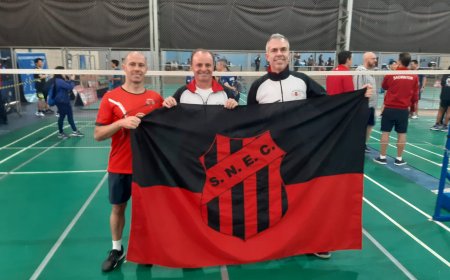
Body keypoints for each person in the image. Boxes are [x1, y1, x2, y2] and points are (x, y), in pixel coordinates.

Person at [94, 51, 164, 272]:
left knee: (147, 211)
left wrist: (169, 106)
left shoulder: (156, 98)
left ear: (146, 69)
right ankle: (117, 249)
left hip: (147, 168)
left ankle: (146, 249)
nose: (137, 68)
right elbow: (98, 134)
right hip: (120, 165)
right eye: (132, 64)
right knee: (118, 207)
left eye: (141, 65)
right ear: (124, 67)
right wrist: (121, 123)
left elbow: (165, 130)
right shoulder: (110, 98)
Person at [373, 53, 419, 166]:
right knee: (402, 133)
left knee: (385, 132)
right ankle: (399, 159)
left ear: (399, 61)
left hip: (389, 108)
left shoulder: (392, 73)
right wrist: (413, 109)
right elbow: (415, 96)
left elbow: (384, 87)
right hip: (403, 110)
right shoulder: (414, 76)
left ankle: (382, 157)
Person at [163, 49, 238, 109]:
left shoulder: (226, 93)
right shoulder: (181, 93)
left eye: (208, 65)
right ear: (192, 67)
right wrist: (167, 104)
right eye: (199, 65)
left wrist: (234, 105)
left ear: (213, 67)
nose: (204, 69)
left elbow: (234, 119)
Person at [354, 52, 378, 152]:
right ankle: (357, 144)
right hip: (364, 105)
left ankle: (363, 144)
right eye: (373, 58)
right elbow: (358, 89)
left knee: (370, 125)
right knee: (360, 127)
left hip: (372, 105)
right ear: (366, 59)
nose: (375, 60)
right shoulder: (360, 72)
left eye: (375, 58)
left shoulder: (371, 72)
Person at [52, 66, 84, 139]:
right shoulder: (59, 81)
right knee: (68, 116)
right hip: (62, 101)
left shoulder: (57, 80)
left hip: (61, 100)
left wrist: (69, 80)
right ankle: (73, 131)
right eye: (64, 71)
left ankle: (63, 132)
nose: (65, 73)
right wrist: (72, 80)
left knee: (62, 116)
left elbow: (66, 83)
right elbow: (70, 87)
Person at [430, 66, 450, 132]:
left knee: (441, 110)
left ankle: (437, 125)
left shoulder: (445, 74)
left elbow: (442, 84)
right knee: (449, 111)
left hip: (444, 95)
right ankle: (445, 126)